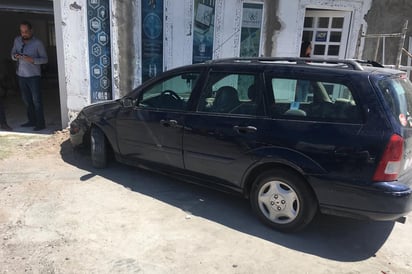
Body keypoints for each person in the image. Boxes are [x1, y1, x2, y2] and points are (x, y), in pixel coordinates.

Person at [11, 21, 48, 131]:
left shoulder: (38, 43)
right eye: (22, 32)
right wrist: (16, 56)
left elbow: (45, 59)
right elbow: (12, 54)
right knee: (27, 100)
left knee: (37, 101)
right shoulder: (17, 40)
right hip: (21, 75)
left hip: (34, 76)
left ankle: (41, 123)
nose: (24, 34)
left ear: (31, 31)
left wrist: (32, 60)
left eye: (26, 31)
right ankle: (31, 121)